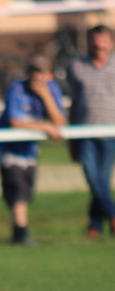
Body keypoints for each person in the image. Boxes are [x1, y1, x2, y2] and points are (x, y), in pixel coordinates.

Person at [0, 55, 66, 246]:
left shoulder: (52, 90)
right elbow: (15, 121)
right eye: (34, 71)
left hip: (29, 150)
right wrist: (44, 127)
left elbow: (60, 123)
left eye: (41, 72)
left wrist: (46, 96)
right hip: (9, 149)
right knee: (18, 188)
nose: (37, 76)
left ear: (49, 75)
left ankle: (19, 231)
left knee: (26, 190)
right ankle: (21, 232)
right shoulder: (16, 89)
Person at [67, 24, 115, 237]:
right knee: (93, 179)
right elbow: (74, 102)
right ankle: (111, 216)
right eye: (95, 40)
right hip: (85, 131)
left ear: (111, 42)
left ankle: (95, 225)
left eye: (103, 39)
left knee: (101, 181)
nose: (98, 44)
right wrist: (70, 135)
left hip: (110, 133)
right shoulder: (77, 66)